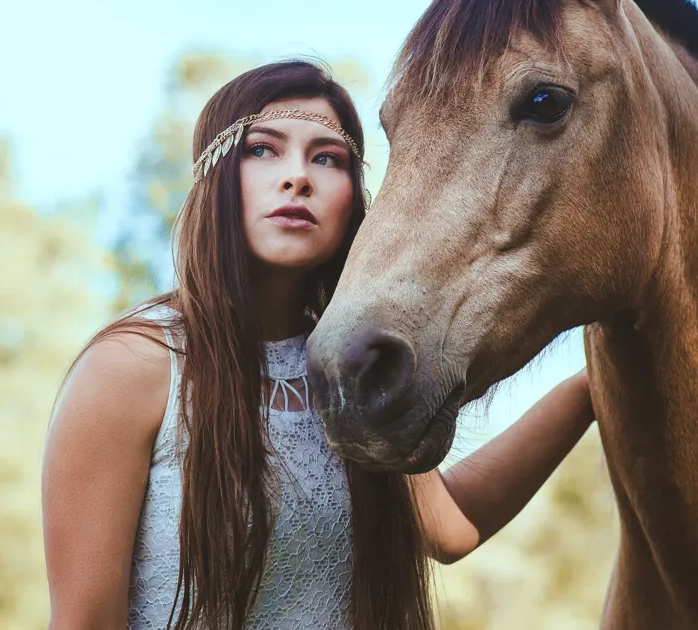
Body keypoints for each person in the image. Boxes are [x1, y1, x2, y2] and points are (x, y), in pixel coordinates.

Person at [42, 60, 595, 630]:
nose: (297, 177)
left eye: (327, 158)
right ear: (213, 176)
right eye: (263, 149)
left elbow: (450, 526)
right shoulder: (135, 365)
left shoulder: (351, 371)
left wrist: (588, 390)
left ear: (354, 199)